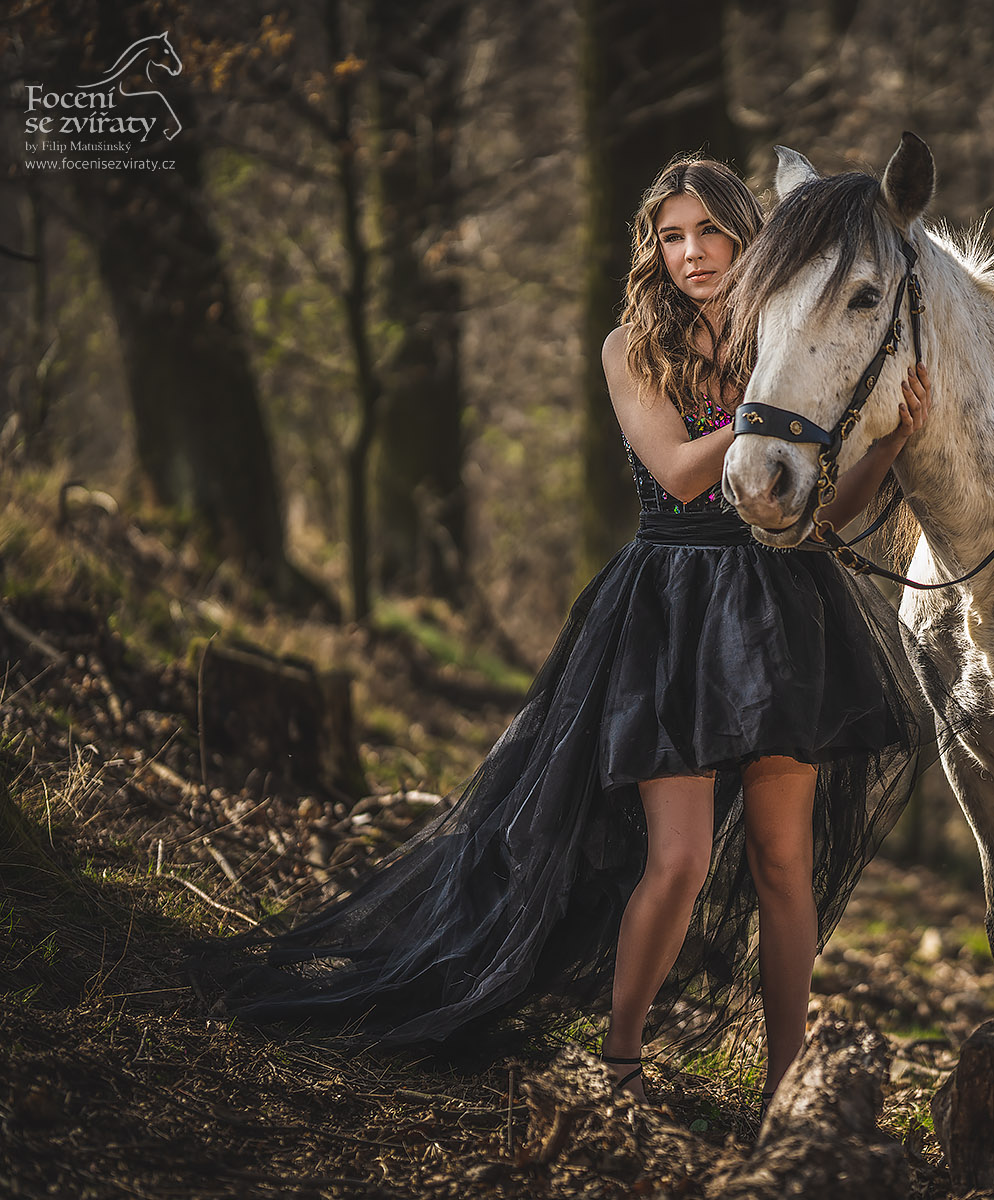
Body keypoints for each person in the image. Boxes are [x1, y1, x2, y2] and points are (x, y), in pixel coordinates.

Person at [191, 155, 929, 1113]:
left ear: (747, 236)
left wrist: (883, 445)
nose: (693, 254)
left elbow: (820, 518)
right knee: (681, 858)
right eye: (672, 236)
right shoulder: (632, 347)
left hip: (784, 607)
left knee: (785, 865)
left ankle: (787, 1090)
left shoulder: (778, 336)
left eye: (711, 231)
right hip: (676, 609)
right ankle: (620, 1059)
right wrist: (773, 411)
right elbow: (678, 475)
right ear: (651, 248)